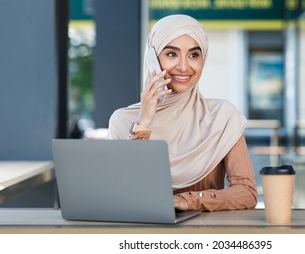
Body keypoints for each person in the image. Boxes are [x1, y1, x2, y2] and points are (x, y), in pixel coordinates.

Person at [107, 14, 258, 211]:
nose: (184, 67)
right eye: (171, 54)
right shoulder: (122, 121)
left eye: (194, 55)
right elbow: (121, 194)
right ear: (152, 59)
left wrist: (187, 200)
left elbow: (247, 193)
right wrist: (143, 124)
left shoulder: (222, 116)